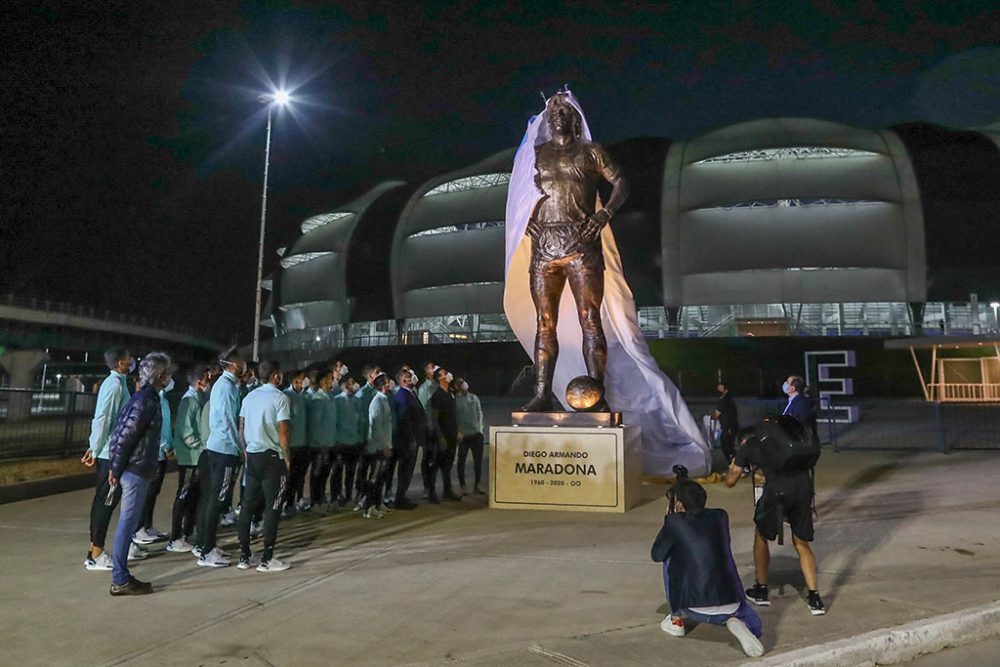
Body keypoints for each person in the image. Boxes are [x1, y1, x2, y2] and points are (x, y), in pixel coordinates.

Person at [518, 92, 628, 411]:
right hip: (544, 247)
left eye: (565, 110)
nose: (557, 115)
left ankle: (597, 395)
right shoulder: (534, 155)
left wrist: (604, 213)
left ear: (576, 118)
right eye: (553, 110)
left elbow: (621, 182)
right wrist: (524, 219)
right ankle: (541, 394)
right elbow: (517, 195)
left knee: (590, 319)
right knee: (544, 322)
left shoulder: (591, 152)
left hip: (582, 244)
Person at [724, 402, 826, 615]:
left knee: (761, 536)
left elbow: (730, 481)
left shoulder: (752, 444)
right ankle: (815, 598)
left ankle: (761, 590)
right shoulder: (792, 438)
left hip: (777, 492)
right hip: (803, 489)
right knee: (801, 543)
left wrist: (737, 464)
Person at [650, 471, 764, 657]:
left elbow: (656, 554)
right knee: (744, 613)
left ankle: (676, 619)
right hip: (733, 603)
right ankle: (738, 622)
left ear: (678, 504)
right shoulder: (720, 516)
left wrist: (669, 523)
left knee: (669, 557)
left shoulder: (674, 523)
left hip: (694, 609)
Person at [106, 352, 175, 595]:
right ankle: (120, 579)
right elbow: (125, 436)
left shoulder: (145, 397)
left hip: (136, 468)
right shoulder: (146, 400)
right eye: (166, 372)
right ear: (158, 375)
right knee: (127, 523)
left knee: (129, 522)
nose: (169, 376)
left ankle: (121, 576)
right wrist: (115, 468)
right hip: (135, 470)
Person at [81, 347, 142, 571]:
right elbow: (103, 418)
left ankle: (95, 549)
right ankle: (96, 554)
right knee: (105, 504)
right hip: (110, 454)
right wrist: (94, 448)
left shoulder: (118, 383)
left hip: (111, 452)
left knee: (105, 502)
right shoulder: (114, 386)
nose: (132, 361)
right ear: (120, 363)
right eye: (129, 359)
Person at [237, 360, 292, 572]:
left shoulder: (249, 397)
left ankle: (244, 555)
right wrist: (287, 458)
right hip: (272, 458)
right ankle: (267, 558)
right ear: (276, 376)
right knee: (273, 506)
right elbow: (283, 433)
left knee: (247, 506)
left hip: (252, 455)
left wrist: (245, 451)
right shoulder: (280, 398)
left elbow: (241, 428)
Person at [197, 350, 246, 568]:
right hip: (224, 449)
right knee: (217, 499)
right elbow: (228, 420)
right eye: (242, 365)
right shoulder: (226, 387)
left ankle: (207, 545)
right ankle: (206, 550)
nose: (244, 369)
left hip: (218, 447)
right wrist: (239, 447)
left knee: (213, 498)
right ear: (234, 365)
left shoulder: (225, 386)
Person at [167, 365, 207, 553]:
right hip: (189, 457)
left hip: (195, 456)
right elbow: (185, 430)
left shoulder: (197, 398)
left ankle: (186, 532)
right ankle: (175, 537)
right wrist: (200, 445)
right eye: (207, 378)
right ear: (199, 382)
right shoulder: (189, 400)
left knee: (193, 497)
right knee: (183, 496)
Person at [133, 378, 175, 544]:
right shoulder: (151, 400)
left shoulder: (162, 399)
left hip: (161, 452)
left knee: (153, 492)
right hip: (154, 453)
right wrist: (165, 445)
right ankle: (139, 529)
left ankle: (147, 525)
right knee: (147, 493)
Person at [391, 366, 425, 510]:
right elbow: (404, 419)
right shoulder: (403, 395)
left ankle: (402, 495)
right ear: (403, 380)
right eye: (408, 376)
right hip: (407, 440)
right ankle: (400, 498)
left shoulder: (410, 393)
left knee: (408, 469)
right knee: (406, 468)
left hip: (412, 438)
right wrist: (411, 438)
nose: (411, 378)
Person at [362, 373, 394, 519]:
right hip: (377, 448)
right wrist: (383, 446)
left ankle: (378, 503)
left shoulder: (384, 399)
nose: (390, 384)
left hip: (385, 444)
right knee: (374, 477)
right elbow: (375, 426)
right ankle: (369, 507)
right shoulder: (376, 402)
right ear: (382, 385)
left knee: (381, 477)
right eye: (387, 382)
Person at [429, 367, 461, 502]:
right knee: (436, 465)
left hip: (452, 435)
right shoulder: (437, 396)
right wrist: (440, 437)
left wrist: (457, 431)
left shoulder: (450, 393)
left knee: (448, 465)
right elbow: (434, 419)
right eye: (444, 374)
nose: (448, 375)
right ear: (439, 379)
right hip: (442, 437)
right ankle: (431, 492)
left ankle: (447, 491)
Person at [307, 368, 338, 510]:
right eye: (327, 379)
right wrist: (320, 444)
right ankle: (315, 501)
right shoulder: (318, 399)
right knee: (317, 473)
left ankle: (321, 498)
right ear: (320, 382)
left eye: (331, 378)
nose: (330, 381)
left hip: (331, 442)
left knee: (325, 473)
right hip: (320, 445)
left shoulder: (330, 397)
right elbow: (315, 424)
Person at [332, 376, 365, 508]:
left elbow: (361, 421)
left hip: (355, 441)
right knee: (338, 471)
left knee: (351, 472)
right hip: (341, 442)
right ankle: (336, 496)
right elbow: (334, 422)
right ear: (342, 386)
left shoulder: (357, 400)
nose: (352, 386)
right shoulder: (337, 401)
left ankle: (349, 495)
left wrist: (361, 438)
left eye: (353, 383)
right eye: (349, 384)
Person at [282, 369, 310, 515]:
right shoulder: (287, 396)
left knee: (299, 476)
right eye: (302, 379)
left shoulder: (304, 396)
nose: (305, 381)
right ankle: (285, 504)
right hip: (292, 444)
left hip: (303, 443)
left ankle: (293, 502)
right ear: (294, 381)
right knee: (289, 478)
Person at [454, 377, 485, 495]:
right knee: (461, 461)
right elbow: (455, 417)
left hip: (476, 434)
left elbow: (480, 413)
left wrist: (480, 429)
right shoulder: (456, 400)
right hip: (463, 435)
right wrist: (458, 431)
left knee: (478, 461)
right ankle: (462, 485)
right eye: (460, 383)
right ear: (456, 387)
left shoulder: (474, 398)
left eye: (464, 382)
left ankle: (477, 485)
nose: (463, 384)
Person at [713, 383, 739, 463]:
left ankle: (735, 463)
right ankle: (733, 463)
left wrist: (709, 418)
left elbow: (717, 414)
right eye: (718, 388)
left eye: (721, 389)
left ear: (726, 390)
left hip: (729, 427)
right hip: (729, 426)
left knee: (727, 447)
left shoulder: (724, 400)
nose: (719, 390)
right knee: (728, 446)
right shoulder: (727, 399)